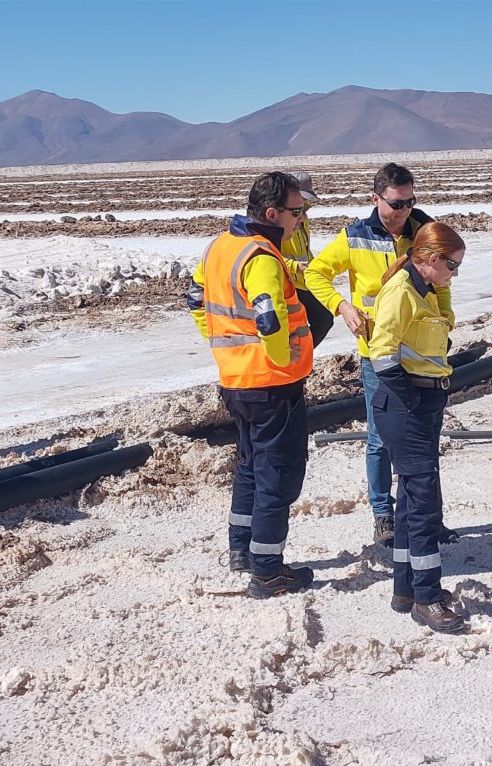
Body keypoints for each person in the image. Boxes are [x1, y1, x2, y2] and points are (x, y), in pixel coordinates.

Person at [305, 163, 458, 545]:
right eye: (396, 203)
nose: (404, 210)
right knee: (380, 437)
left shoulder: (423, 229)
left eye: (410, 202)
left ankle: (428, 516)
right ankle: (383, 515)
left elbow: (441, 281)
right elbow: (316, 273)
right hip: (378, 351)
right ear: (376, 199)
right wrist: (342, 306)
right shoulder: (356, 236)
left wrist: (446, 319)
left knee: (424, 438)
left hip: (423, 352)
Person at [186, 171, 315, 598]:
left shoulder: (219, 247)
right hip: (271, 385)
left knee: (249, 467)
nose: (300, 219)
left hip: (235, 380)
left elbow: (195, 300)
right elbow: (268, 317)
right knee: (277, 476)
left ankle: (241, 550)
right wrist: (284, 359)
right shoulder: (260, 256)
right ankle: (267, 570)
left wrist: (219, 343)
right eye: (297, 212)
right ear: (273, 212)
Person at [369, 221, 466, 633]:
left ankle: (405, 588)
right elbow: (382, 353)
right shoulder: (401, 292)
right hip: (404, 403)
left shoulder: (425, 290)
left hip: (423, 400)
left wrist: (441, 287)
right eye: (452, 265)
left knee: (410, 497)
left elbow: (444, 325)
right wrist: (409, 400)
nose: (455, 274)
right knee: (423, 501)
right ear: (430, 259)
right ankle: (427, 597)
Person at [281, 171, 335, 348]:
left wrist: (315, 266)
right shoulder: (282, 221)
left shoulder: (302, 220)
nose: (303, 212)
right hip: (288, 284)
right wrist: (295, 266)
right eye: (299, 208)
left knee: (324, 319)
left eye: (306, 207)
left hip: (303, 282)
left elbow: (304, 251)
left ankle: (303, 358)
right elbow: (269, 254)